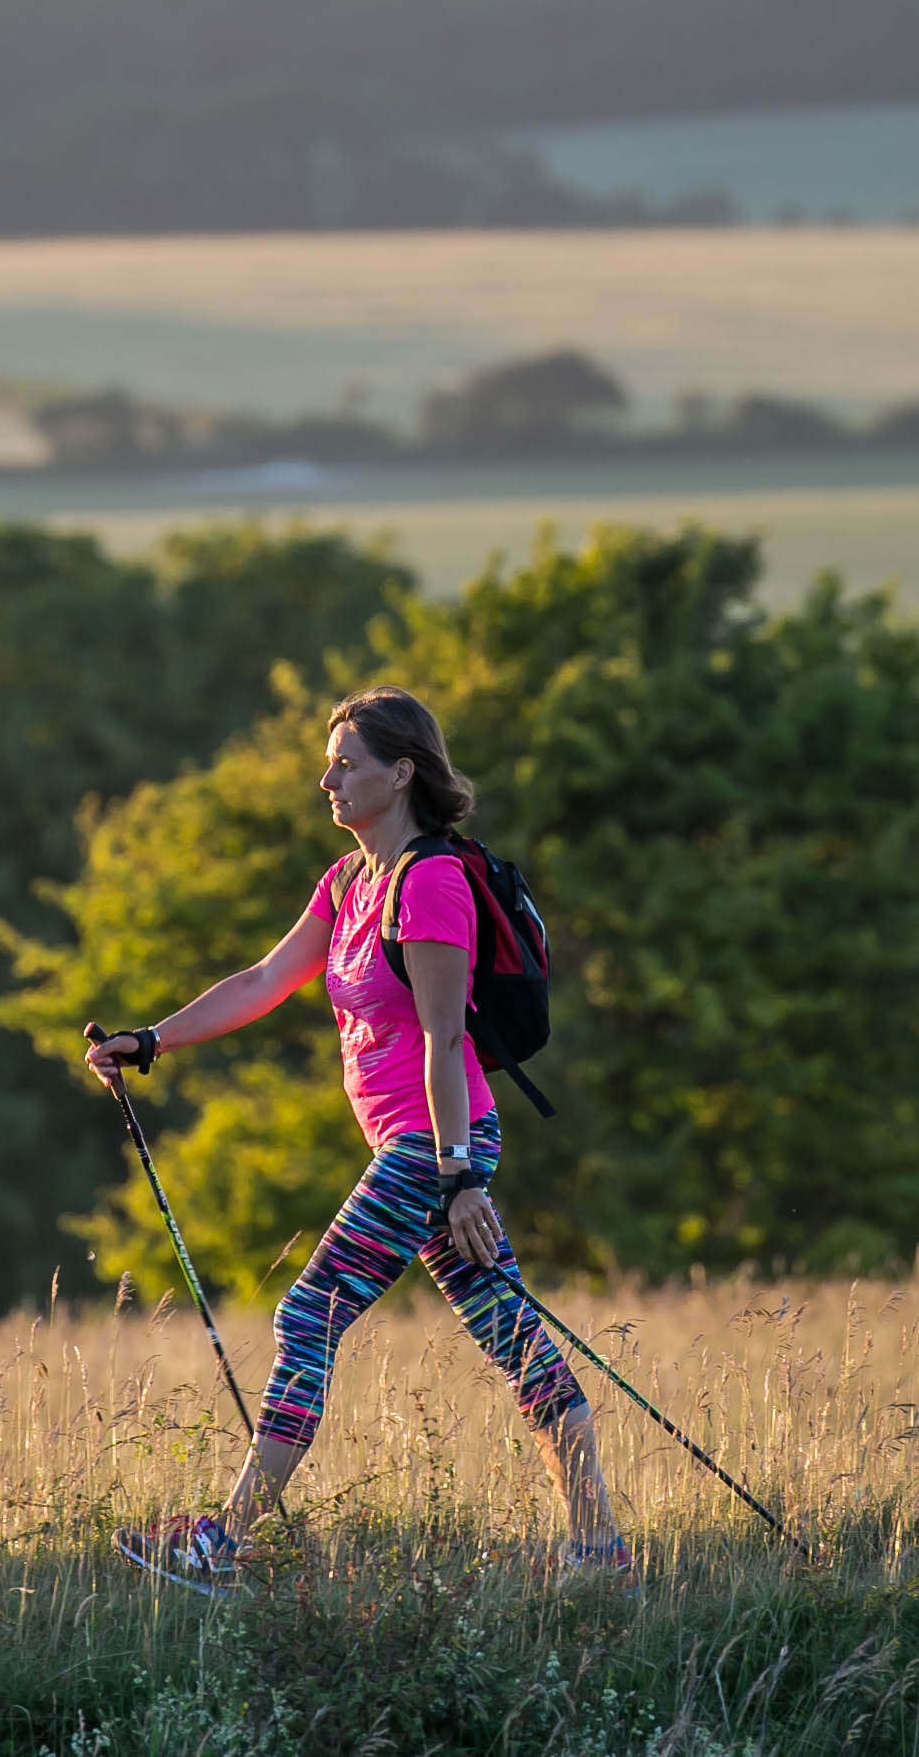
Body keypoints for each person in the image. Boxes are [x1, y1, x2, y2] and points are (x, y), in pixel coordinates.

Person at [84, 683, 631, 1594]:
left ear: (402, 772)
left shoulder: (432, 883)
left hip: (434, 1146)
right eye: (328, 762)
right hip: (417, 1150)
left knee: (308, 1312)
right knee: (513, 1336)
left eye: (346, 763)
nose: (325, 779)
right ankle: (601, 1549)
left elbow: (447, 1038)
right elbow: (263, 979)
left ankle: (221, 1541)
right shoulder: (347, 884)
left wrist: (459, 1178)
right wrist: (151, 1042)